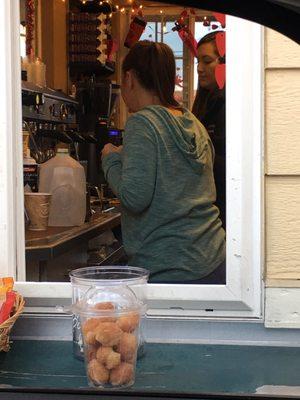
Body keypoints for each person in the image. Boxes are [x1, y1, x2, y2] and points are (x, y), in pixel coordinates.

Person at [101, 40, 225, 284]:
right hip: (213, 257)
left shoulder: (142, 122)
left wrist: (111, 160)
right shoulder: (192, 122)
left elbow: (135, 198)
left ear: (130, 78)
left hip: (170, 266)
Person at [192, 32, 226, 227]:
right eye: (198, 62)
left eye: (207, 61)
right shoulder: (206, 103)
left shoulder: (228, 105)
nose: (199, 69)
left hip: (223, 212)